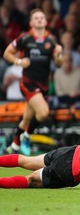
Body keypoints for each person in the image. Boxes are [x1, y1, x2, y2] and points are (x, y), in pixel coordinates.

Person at [3, 9, 63, 156]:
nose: (39, 20)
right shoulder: (25, 38)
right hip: (28, 83)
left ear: (46, 21)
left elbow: (59, 64)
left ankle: (14, 146)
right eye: (36, 18)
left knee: (27, 118)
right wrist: (19, 61)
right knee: (43, 113)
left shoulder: (51, 40)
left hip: (43, 85)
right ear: (31, 22)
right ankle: (27, 136)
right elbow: (7, 53)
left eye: (42, 17)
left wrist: (59, 54)